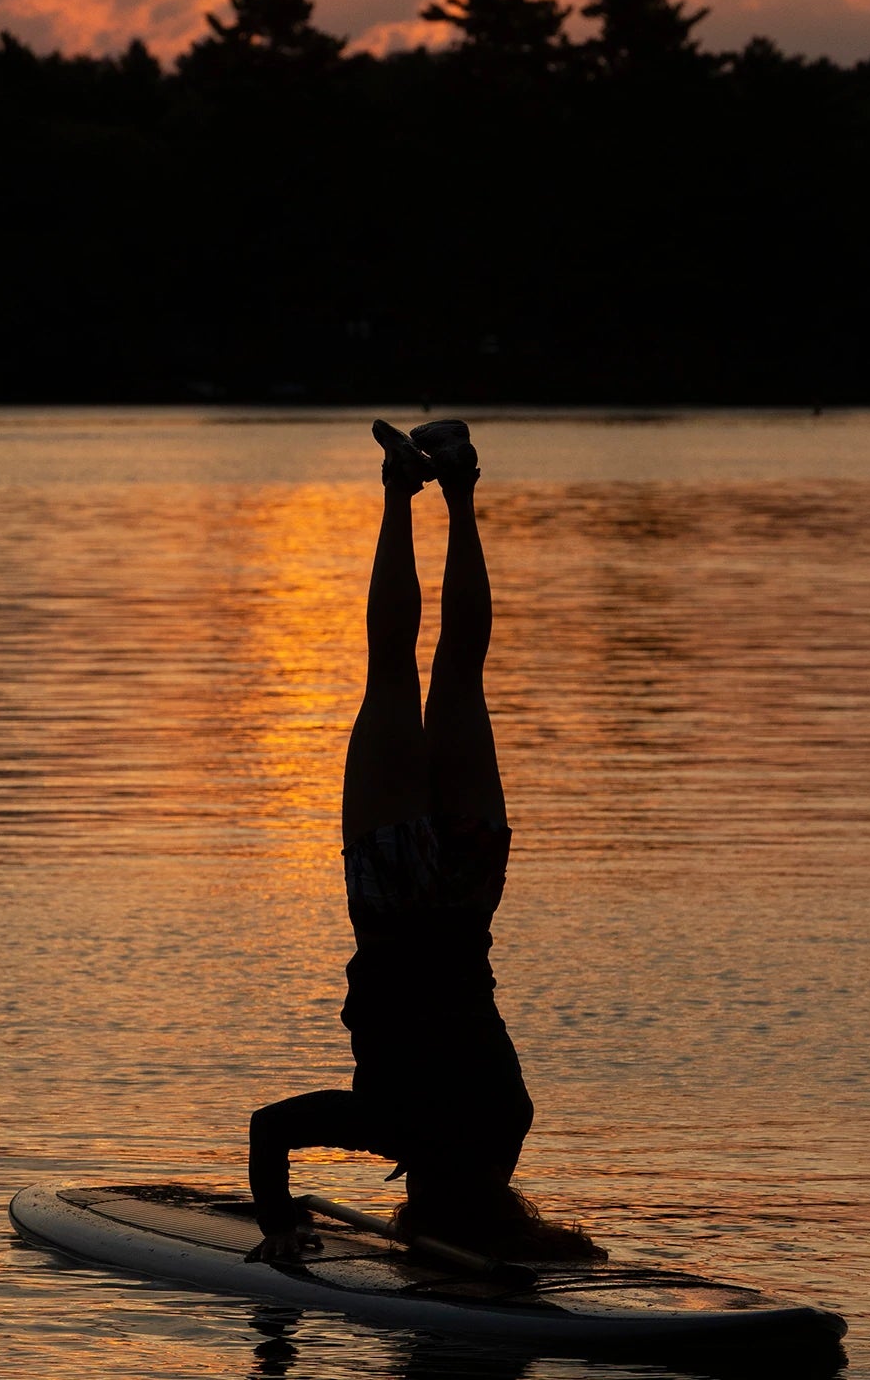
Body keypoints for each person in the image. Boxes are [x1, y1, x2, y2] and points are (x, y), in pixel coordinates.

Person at [247, 419, 601, 1264]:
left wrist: (289, 1224)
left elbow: (473, 1166)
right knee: (391, 666)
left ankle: (459, 486)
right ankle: (399, 490)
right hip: (396, 892)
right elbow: (269, 1129)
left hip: (469, 885)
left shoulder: (509, 1121)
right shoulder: (391, 1126)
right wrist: (278, 1221)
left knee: (459, 667)